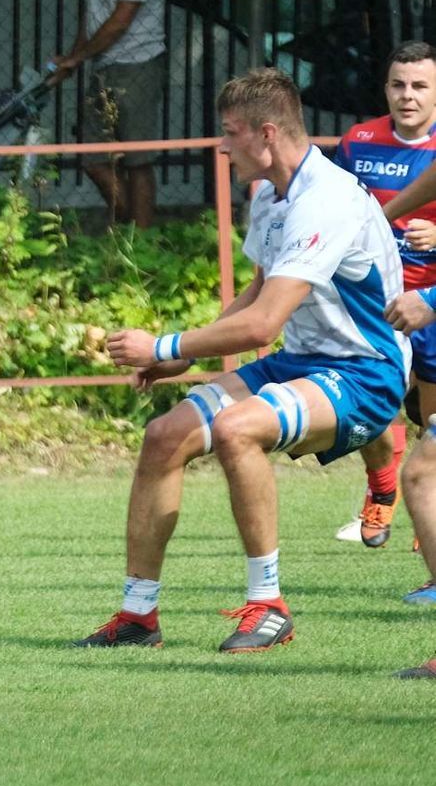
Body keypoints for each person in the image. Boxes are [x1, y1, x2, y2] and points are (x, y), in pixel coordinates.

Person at [74, 68, 410, 652]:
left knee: (236, 428)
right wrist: (190, 351)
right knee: (163, 436)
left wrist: (164, 346)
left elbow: (262, 324)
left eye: (231, 134)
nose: (223, 147)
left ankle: (268, 606)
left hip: (365, 369)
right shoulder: (270, 194)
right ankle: (137, 616)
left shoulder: (325, 199)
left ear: (268, 134)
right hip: (302, 360)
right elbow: (257, 293)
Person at [330, 42, 436, 551]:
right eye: (398, 84)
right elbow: (331, 208)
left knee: (430, 414)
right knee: (375, 400)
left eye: (419, 86)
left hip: (431, 298)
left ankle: (427, 504)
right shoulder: (359, 141)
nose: (408, 95)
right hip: (373, 297)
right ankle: (383, 488)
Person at [49, 0, 166, 227]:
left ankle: (142, 240)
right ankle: (133, 228)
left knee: (138, 160)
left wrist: (79, 57)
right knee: (93, 159)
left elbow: (121, 19)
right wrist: (72, 59)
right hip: (102, 64)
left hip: (138, 62)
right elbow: (91, 15)